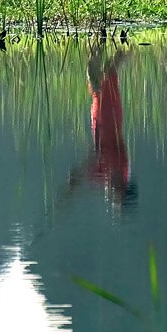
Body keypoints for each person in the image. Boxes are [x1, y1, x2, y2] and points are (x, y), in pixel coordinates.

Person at [68, 43, 137, 210]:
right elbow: (97, 158)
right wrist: (80, 175)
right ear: (123, 187)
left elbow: (88, 171)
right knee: (109, 72)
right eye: (117, 194)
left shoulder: (105, 177)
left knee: (94, 73)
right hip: (109, 116)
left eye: (113, 197)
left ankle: (100, 41)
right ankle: (128, 46)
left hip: (99, 117)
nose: (111, 192)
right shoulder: (120, 167)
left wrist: (76, 180)